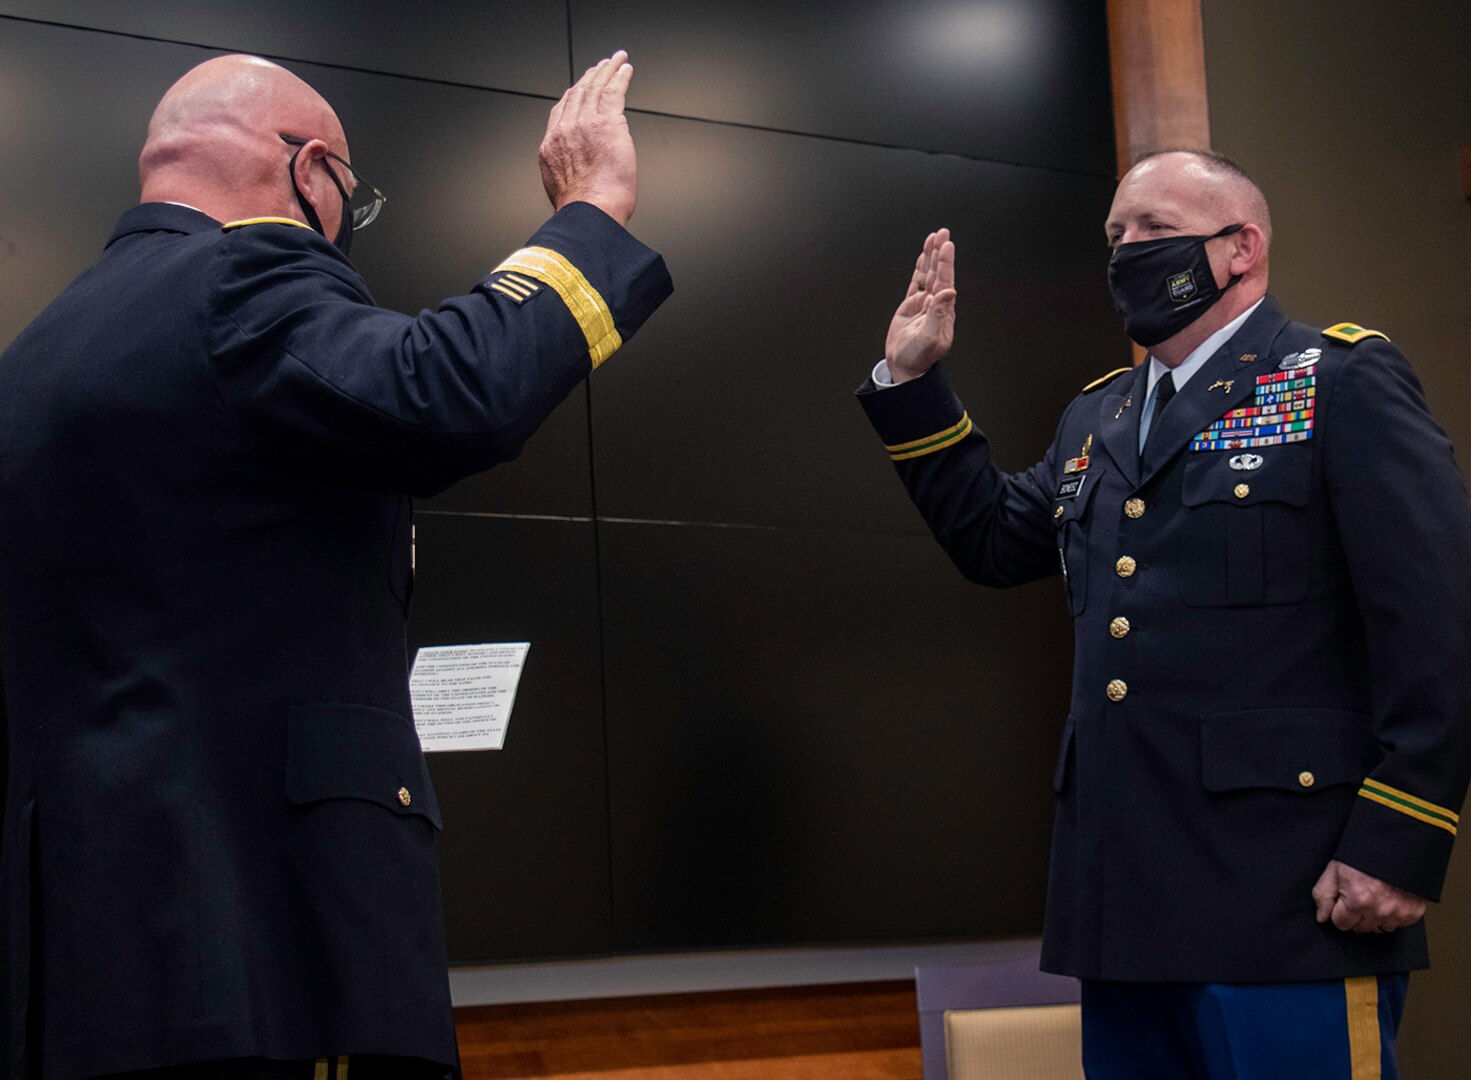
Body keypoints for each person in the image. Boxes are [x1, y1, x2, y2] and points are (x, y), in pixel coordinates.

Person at [0, 51, 671, 1080]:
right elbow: (446, 392)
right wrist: (592, 212)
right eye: (352, 197)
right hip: (263, 948)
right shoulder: (237, 276)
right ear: (312, 173)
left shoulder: (41, 352)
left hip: (94, 968)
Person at [857, 149, 1471, 1078]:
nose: (1125, 251)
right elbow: (990, 541)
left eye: (1152, 229)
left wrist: (1400, 840)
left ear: (1239, 248)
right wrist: (912, 384)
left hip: (1287, 896)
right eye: (1113, 235)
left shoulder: (1336, 379)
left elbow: (1439, 618)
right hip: (1124, 901)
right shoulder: (1098, 417)